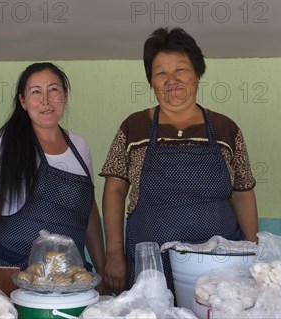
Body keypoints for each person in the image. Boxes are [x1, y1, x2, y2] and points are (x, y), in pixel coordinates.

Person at [100, 27, 258, 295]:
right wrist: (114, 254)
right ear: (151, 81)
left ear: (197, 74)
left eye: (180, 70)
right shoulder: (134, 126)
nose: (171, 79)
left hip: (218, 265)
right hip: (151, 264)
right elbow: (115, 190)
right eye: (161, 72)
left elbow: (242, 192)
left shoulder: (225, 128)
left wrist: (251, 248)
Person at [0, 62, 107, 284]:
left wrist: (102, 271)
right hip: (15, 271)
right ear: (23, 102)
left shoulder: (79, 146)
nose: (45, 100)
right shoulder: (5, 144)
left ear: (65, 95)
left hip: (70, 276)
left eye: (53, 89)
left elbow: (89, 211)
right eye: (36, 92)